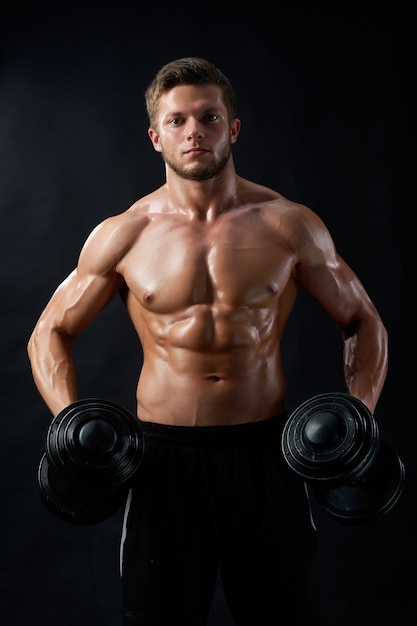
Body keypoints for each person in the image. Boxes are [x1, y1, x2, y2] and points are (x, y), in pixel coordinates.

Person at [27, 56, 388, 625]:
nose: (194, 130)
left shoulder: (288, 224)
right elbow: (49, 332)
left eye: (209, 116)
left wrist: (356, 422)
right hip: (161, 463)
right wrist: (73, 428)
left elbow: (364, 321)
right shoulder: (125, 234)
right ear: (156, 137)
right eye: (177, 121)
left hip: (269, 458)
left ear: (232, 128)